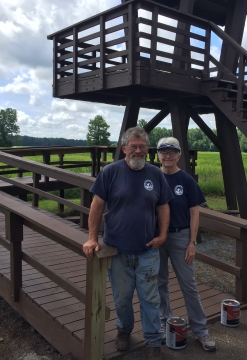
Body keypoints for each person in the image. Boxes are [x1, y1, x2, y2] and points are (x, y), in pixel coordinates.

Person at [83, 127, 173, 359]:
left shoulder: (156, 174)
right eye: (133, 146)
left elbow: (163, 207)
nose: (138, 150)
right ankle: (124, 330)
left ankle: (153, 341)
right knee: (122, 298)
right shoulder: (110, 172)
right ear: (124, 148)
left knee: (150, 298)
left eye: (142, 146)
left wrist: (163, 235)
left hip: (148, 250)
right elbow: (96, 206)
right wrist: (93, 238)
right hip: (118, 250)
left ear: (147, 149)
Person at [156, 137, 217, 352]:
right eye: (164, 152)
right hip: (158, 238)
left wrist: (192, 242)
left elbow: (194, 213)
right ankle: (165, 324)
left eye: (172, 152)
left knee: (188, 284)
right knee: (159, 282)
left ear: (179, 155)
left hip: (181, 236)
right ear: (158, 155)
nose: (168, 156)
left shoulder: (186, 180)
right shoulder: (153, 177)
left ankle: (200, 331)